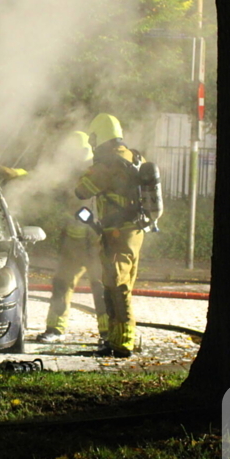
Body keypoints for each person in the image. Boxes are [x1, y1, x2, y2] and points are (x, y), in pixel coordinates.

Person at [74, 114, 145, 357]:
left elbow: (82, 190)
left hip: (117, 233)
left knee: (117, 286)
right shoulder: (135, 156)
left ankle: (122, 344)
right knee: (120, 283)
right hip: (133, 231)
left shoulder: (108, 164)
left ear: (98, 137)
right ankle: (118, 340)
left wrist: (86, 170)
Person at [36, 131, 107, 344]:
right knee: (62, 283)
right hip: (73, 242)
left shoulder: (97, 172)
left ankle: (107, 333)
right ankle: (55, 329)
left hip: (96, 242)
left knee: (101, 287)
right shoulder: (69, 175)